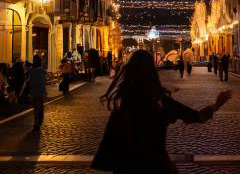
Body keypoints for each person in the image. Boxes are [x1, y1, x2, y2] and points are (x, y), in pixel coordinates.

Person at [92, 50, 231, 174]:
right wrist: (216, 105)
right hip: (156, 165)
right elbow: (196, 116)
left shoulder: (122, 105)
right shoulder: (160, 102)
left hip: (126, 168)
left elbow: (109, 145)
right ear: (152, 72)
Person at [29, 54, 47, 131]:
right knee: (39, 107)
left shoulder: (31, 71)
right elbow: (43, 82)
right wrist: (45, 92)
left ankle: (37, 123)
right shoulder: (43, 72)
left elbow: (29, 81)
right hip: (40, 92)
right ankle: (38, 122)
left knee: (35, 108)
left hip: (33, 91)